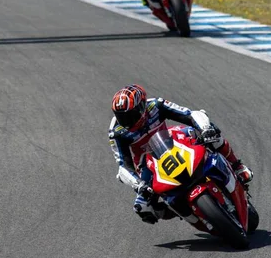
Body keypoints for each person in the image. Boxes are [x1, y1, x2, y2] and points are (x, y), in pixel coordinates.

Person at [108, 84, 253, 226]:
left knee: (212, 134)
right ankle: (184, 212)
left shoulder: (156, 105)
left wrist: (205, 129)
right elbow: (123, 166)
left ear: (142, 106)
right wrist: (138, 185)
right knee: (142, 207)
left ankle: (237, 166)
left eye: (131, 115)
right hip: (148, 164)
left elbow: (189, 114)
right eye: (122, 117)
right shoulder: (116, 132)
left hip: (171, 141)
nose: (127, 122)